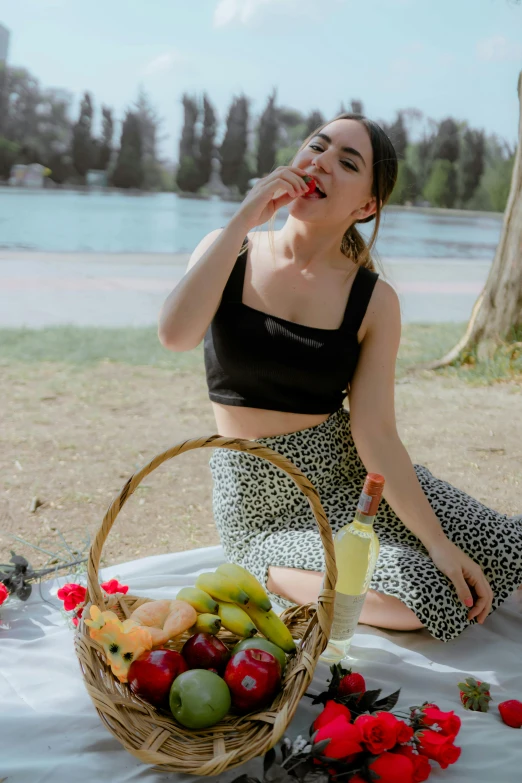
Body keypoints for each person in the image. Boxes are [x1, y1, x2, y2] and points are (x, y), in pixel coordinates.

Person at [158, 113, 522, 642]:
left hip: (356, 481)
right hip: (265, 509)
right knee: (426, 594)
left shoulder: (374, 299)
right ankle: (273, 569)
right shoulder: (228, 248)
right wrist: (245, 217)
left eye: (347, 162)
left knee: (505, 547)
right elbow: (176, 334)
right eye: (317, 147)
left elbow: (374, 433)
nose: (320, 163)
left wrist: (440, 541)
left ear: (366, 206)